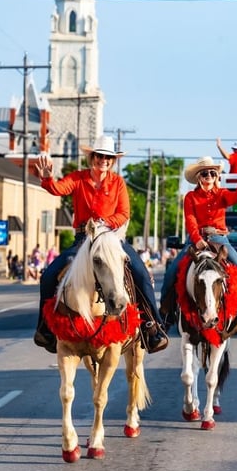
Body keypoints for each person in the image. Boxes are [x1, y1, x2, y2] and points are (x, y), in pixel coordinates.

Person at [32, 135, 169, 354]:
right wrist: (48, 179)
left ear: (112, 161)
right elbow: (58, 189)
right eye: (99, 156)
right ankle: (45, 328)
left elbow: (124, 213)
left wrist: (105, 223)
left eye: (108, 157)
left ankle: (152, 327)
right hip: (83, 239)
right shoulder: (78, 178)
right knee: (49, 275)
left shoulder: (118, 182)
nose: (103, 160)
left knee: (141, 273)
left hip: (109, 238)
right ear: (92, 157)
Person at [159, 156, 237, 329]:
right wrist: (197, 240)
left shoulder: (223, 194)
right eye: (204, 173)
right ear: (198, 177)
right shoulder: (190, 197)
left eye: (212, 173)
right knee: (171, 272)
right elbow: (190, 220)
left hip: (219, 238)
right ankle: (164, 315)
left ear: (217, 176)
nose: (209, 176)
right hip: (196, 239)